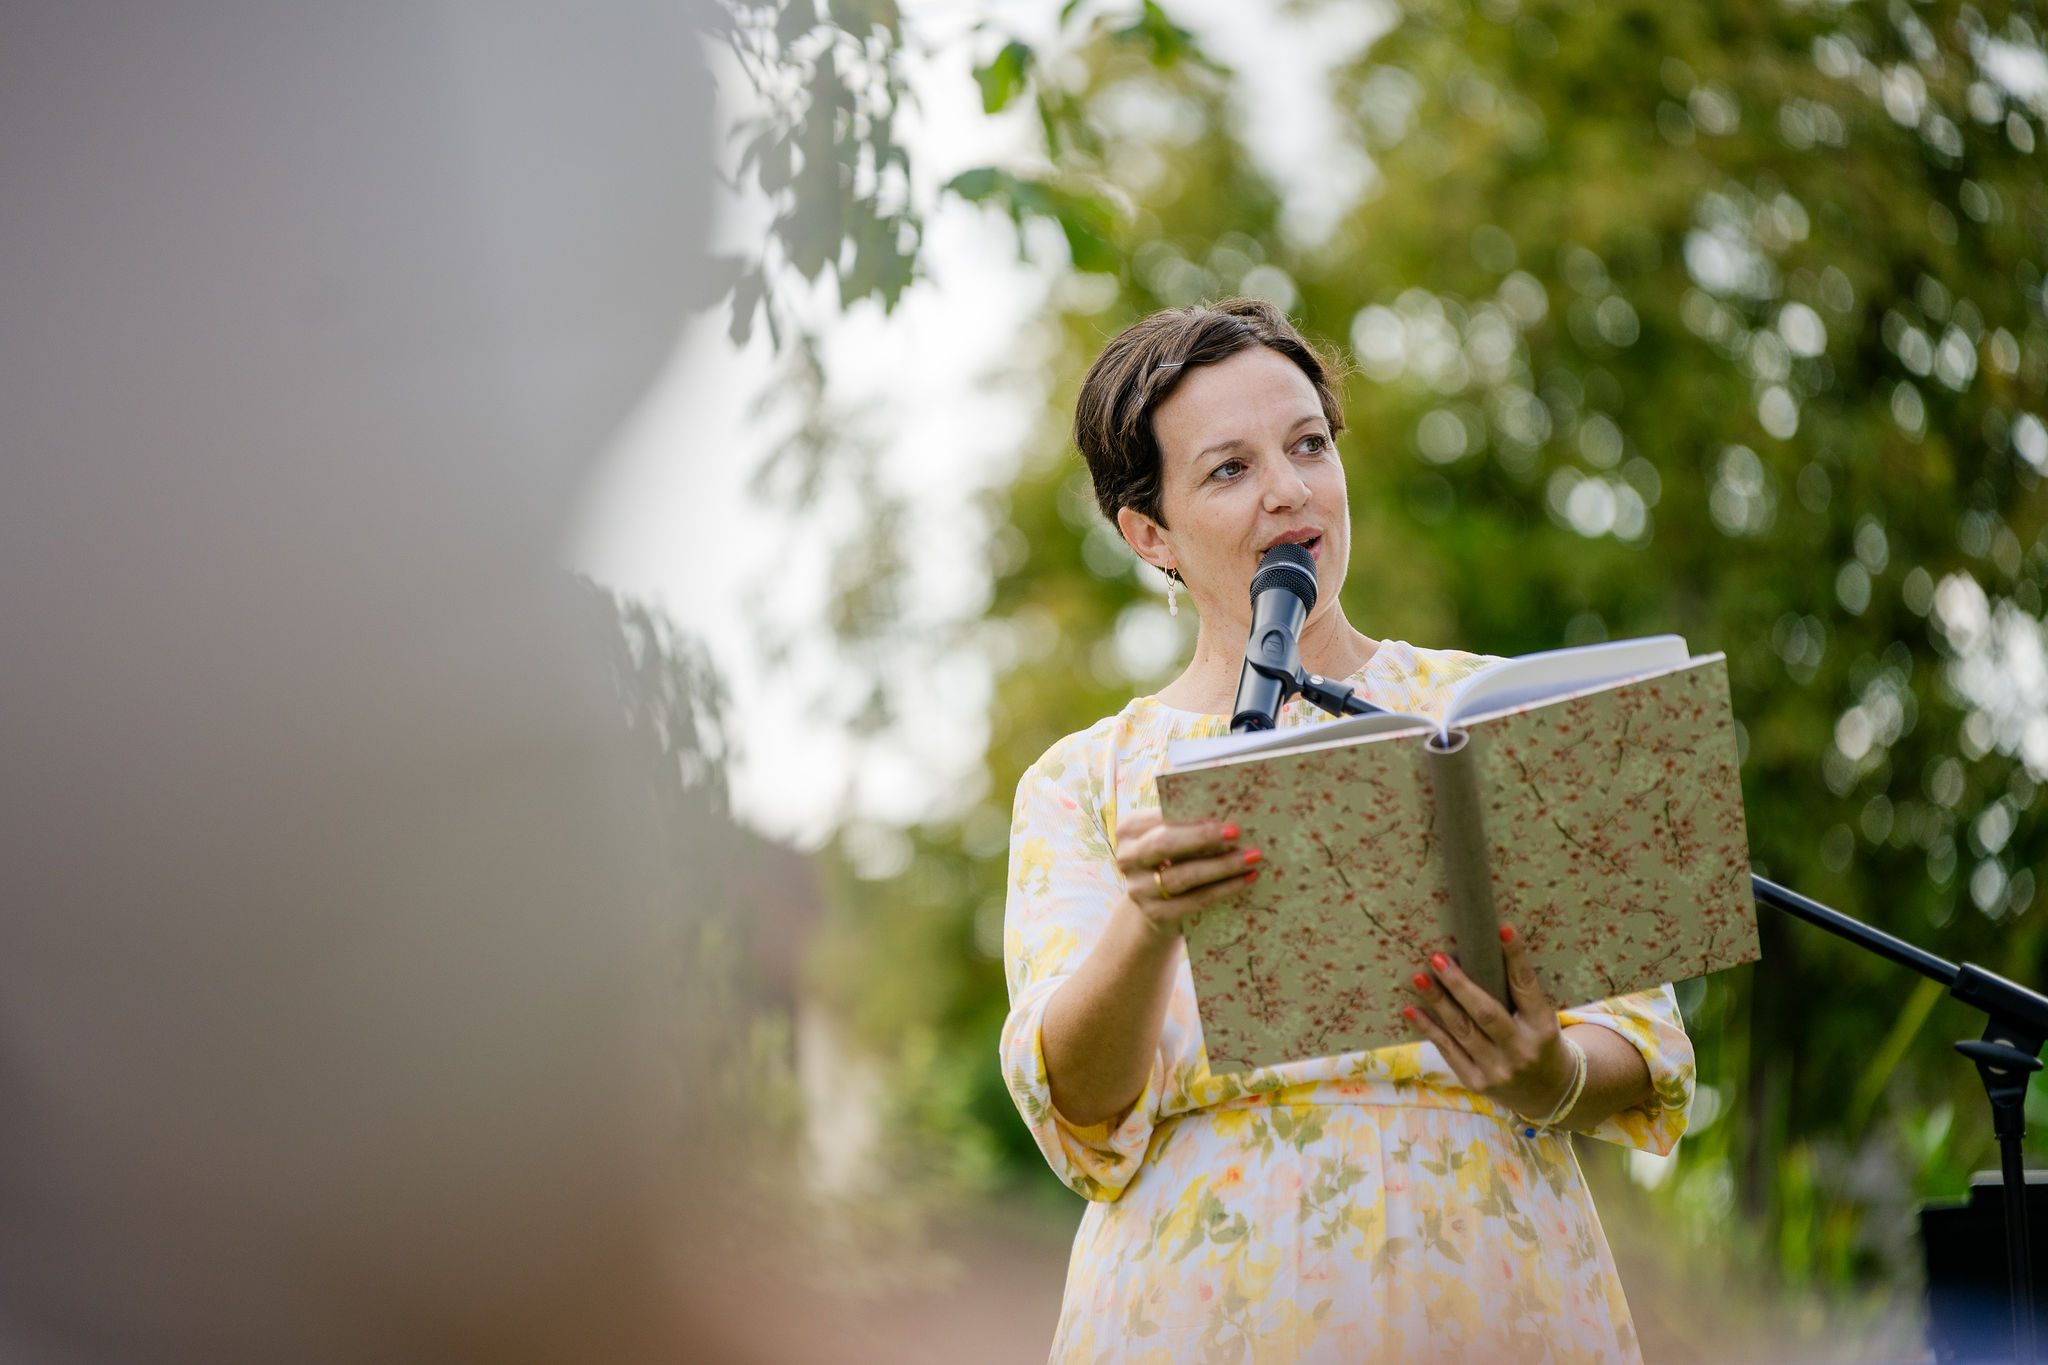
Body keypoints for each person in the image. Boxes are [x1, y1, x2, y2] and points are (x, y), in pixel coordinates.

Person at [1000, 298, 1694, 1363]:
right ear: (1148, 533)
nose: (1288, 490)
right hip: (1200, 1313)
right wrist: (1146, 924)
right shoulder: (1080, 781)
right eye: (1227, 470)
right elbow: (1079, 1110)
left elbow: (1640, 1042)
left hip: (1490, 1294)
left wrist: (1541, 1074)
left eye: (1307, 445)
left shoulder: (1489, 711)